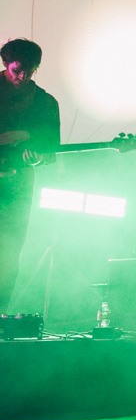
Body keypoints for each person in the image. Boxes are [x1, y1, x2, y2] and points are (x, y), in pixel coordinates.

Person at [0, 39, 60, 312]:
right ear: (5, 64)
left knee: (9, 254)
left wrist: (40, 157)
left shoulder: (46, 103)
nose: (23, 76)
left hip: (18, 186)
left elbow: (50, 153)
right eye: (17, 69)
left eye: (30, 70)